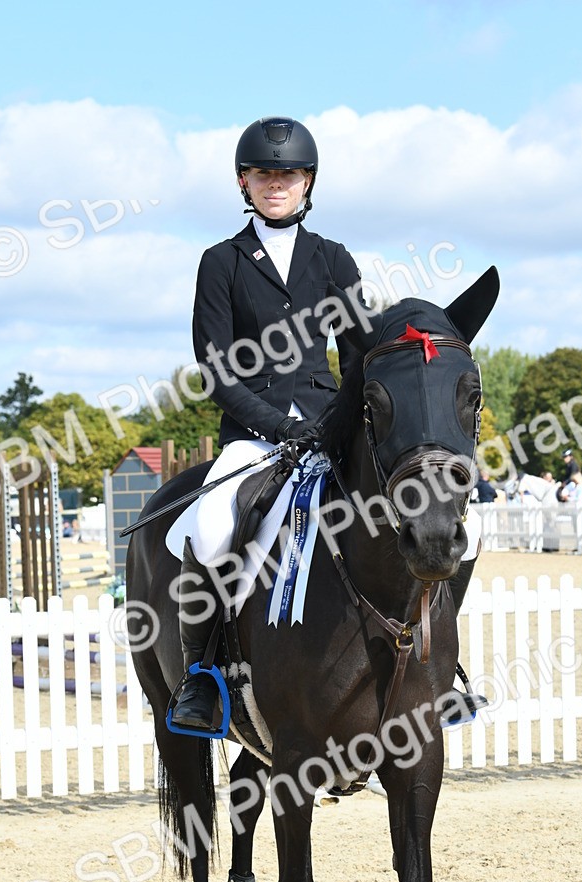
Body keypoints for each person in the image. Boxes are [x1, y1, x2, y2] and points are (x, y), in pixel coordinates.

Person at [171, 116, 363, 729]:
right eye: (264, 174)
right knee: (209, 524)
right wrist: (277, 427)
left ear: (308, 181)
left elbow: (357, 354)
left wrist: (335, 420)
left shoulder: (334, 259)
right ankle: (200, 676)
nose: (276, 183)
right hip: (253, 435)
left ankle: (437, 671)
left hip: (327, 427)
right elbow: (218, 370)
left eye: (288, 173)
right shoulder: (220, 262)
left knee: (408, 511)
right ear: (243, 182)